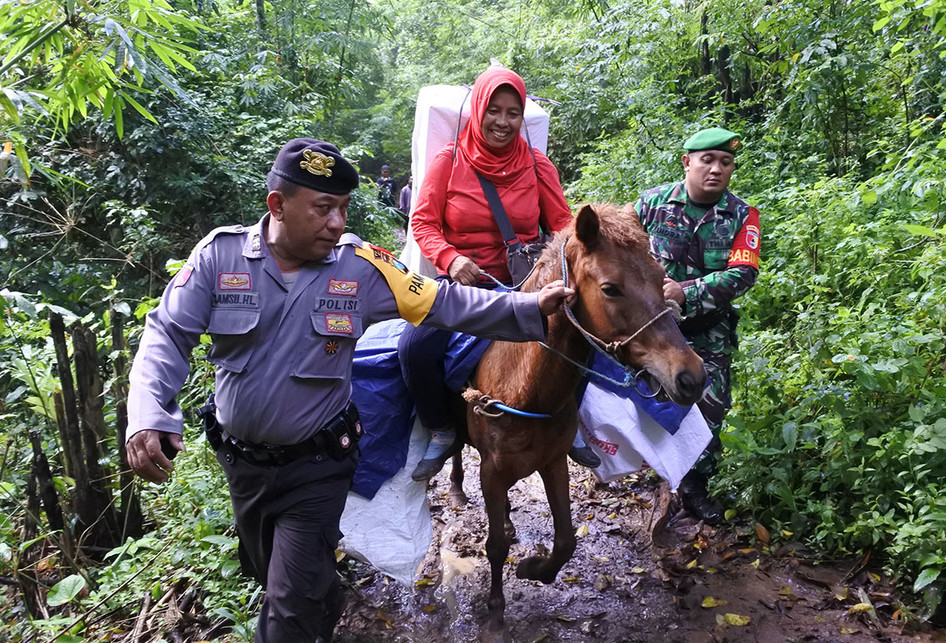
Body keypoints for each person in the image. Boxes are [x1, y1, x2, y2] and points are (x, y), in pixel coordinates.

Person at [125, 138, 575, 643]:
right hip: (244, 466)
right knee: (271, 573)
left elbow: (441, 303)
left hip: (317, 465)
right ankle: (326, 594)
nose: (337, 222)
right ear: (277, 205)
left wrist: (530, 308)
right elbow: (166, 333)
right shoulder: (220, 256)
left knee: (286, 607)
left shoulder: (360, 267)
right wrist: (147, 412)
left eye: (342, 208)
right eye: (323, 208)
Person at [403, 67, 598, 482]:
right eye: (494, 110)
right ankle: (440, 427)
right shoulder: (449, 161)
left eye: (514, 113)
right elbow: (423, 223)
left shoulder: (537, 165)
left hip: (527, 283)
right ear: (477, 110)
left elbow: (563, 225)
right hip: (462, 284)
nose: (503, 122)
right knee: (415, 347)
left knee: (584, 337)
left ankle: (571, 418)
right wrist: (451, 259)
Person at [634, 127, 761, 525]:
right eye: (707, 160)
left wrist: (687, 291)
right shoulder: (651, 204)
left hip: (709, 328)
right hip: (654, 326)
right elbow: (615, 247)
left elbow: (743, 272)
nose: (716, 169)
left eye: (725, 162)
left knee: (710, 406)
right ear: (687, 162)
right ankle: (652, 471)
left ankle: (694, 488)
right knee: (644, 396)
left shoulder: (742, 215)